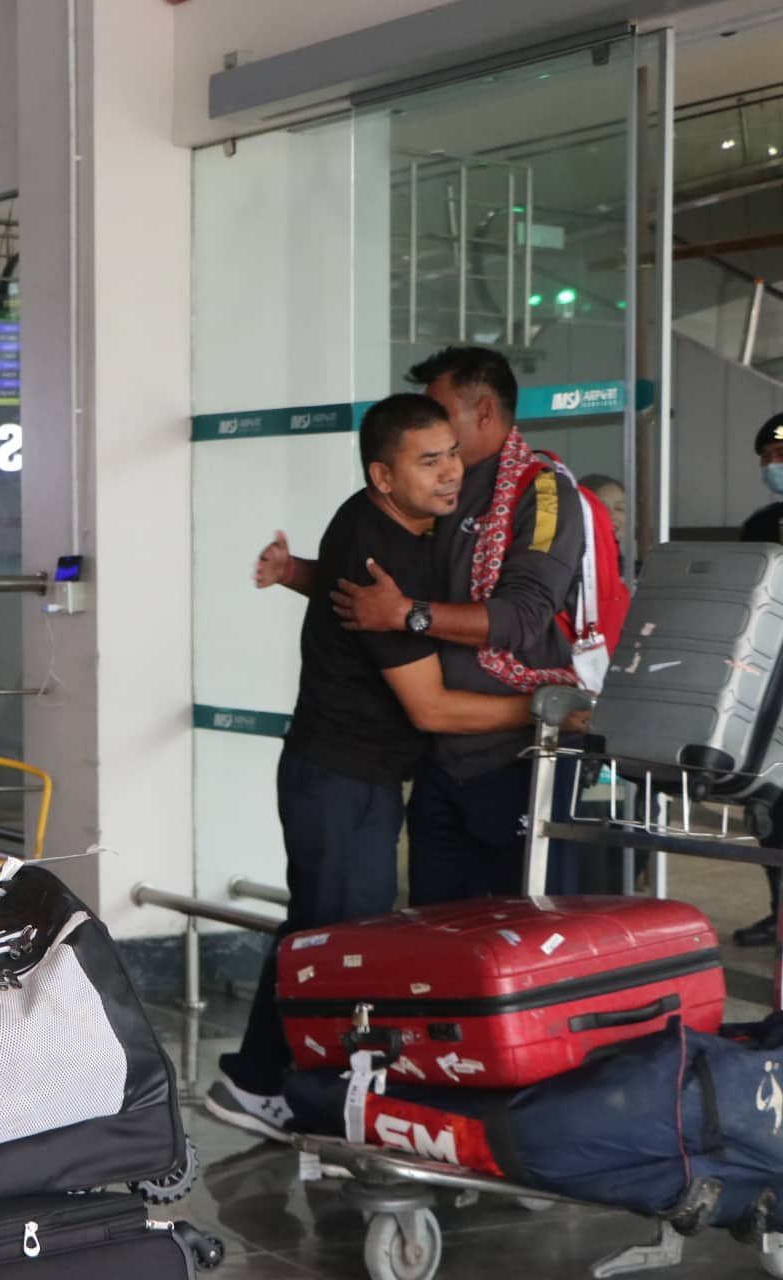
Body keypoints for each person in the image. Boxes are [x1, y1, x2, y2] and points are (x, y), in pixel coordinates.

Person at [207, 395, 538, 1142]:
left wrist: (295, 571)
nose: (452, 471)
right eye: (430, 461)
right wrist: (549, 710)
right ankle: (271, 1086)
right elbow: (432, 710)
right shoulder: (380, 551)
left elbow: (339, 583)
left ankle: (263, 1081)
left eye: (453, 452)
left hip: (352, 774)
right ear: (382, 476)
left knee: (318, 931)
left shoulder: (388, 521)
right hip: (343, 776)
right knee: (330, 944)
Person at [270, 347, 586, 906]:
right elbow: (365, 579)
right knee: (413, 940)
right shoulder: (426, 503)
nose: (443, 463)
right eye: (428, 455)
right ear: (385, 476)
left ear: (483, 412)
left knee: (519, 934)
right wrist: (302, 574)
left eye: (440, 418)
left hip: (512, 763)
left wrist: (407, 614)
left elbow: (523, 616)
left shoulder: (536, 491)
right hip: (434, 764)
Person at [733, 411, 783, 947]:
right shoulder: (761, 527)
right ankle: (781, 912)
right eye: (767, 459)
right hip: (770, 692)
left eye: (782, 457)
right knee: (769, 808)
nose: (773, 467)